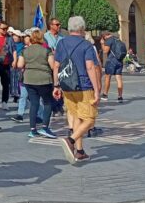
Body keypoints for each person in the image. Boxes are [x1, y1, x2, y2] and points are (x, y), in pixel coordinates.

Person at [53, 16, 101, 164]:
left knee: (76, 117)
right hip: (83, 85)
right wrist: (97, 89)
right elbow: (90, 67)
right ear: (82, 29)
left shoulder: (61, 43)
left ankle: (79, 151)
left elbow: (56, 65)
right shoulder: (86, 44)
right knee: (89, 119)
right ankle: (70, 140)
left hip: (67, 85)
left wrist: (56, 85)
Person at [17, 28, 57, 139]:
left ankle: (32, 130)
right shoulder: (46, 50)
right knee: (47, 103)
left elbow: (20, 65)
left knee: (34, 104)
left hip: (29, 79)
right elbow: (53, 66)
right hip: (44, 79)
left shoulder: (25, 51)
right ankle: (45, 127)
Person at [45, 18, 65, 116]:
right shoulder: (45, 36)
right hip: (50, 65)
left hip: (61, 64)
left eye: (59, 24)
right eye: (57, 24)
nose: (59, 26)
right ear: (51, 25)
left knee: (60, 85)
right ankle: (53, 107)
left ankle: (60, 105)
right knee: (52, 85)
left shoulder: (62, 37)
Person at [101, 32, 125, 103]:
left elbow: (105, 51)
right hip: (119, 61)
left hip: (111, 61)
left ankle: (105, 95)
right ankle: (120, 96)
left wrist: (102, 43)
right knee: (119, 78)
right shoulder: (118, 39)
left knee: (107, 77)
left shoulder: (109, 40)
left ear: (105, 36)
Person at [0, 21, 12, 110]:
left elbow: (13, 49)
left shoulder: (9, 38)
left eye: (6, 28)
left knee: (6, 84)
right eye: (3, 28)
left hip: (6, 63)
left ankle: (5, 102)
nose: (5, 30)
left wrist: (14, 60)